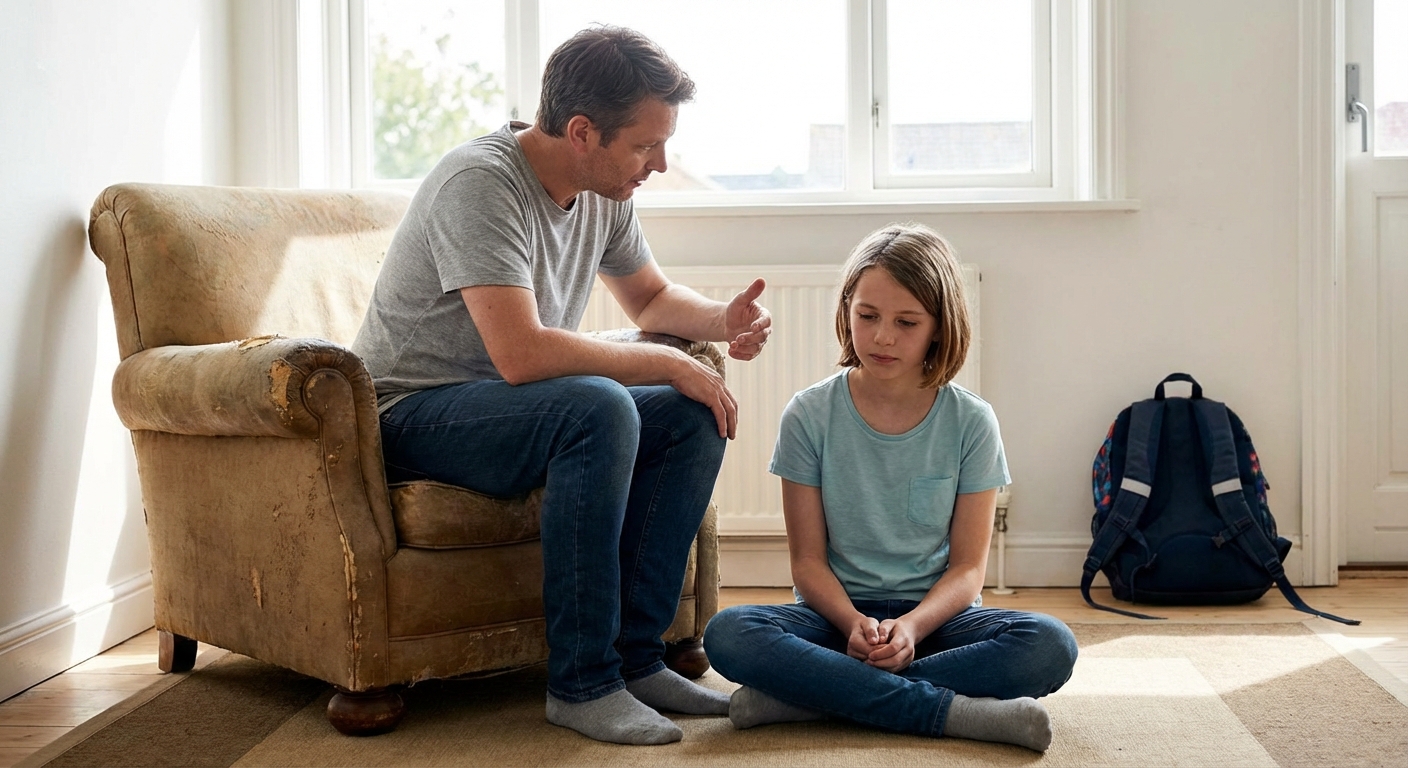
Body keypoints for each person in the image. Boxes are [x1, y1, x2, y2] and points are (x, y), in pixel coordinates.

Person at [351, 26, 771, 746]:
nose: (660, 164)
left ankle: (637, 659)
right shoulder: (478, 184)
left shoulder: (604, 191)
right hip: (412, 414)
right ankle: (582, 684)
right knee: (601, 405)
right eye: (645, 145)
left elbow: (649, 301)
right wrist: (670, 361)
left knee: (687, 412)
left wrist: (719, 320)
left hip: (511, 409)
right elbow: (520, 354)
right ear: (582, 132)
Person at [702, 223, 1077, 753]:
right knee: (730, 634)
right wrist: (854, 622)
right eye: (867, 316)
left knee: (1050, 646)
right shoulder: (809, 414)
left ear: (939, 329)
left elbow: (969, 570)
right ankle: (950, 712)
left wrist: (912, 629)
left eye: (906, 322)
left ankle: (813, 700)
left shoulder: (972, 421)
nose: (881, 336)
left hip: (933, 621)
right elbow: (807, 563)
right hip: (834, 618)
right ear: (847, 311)